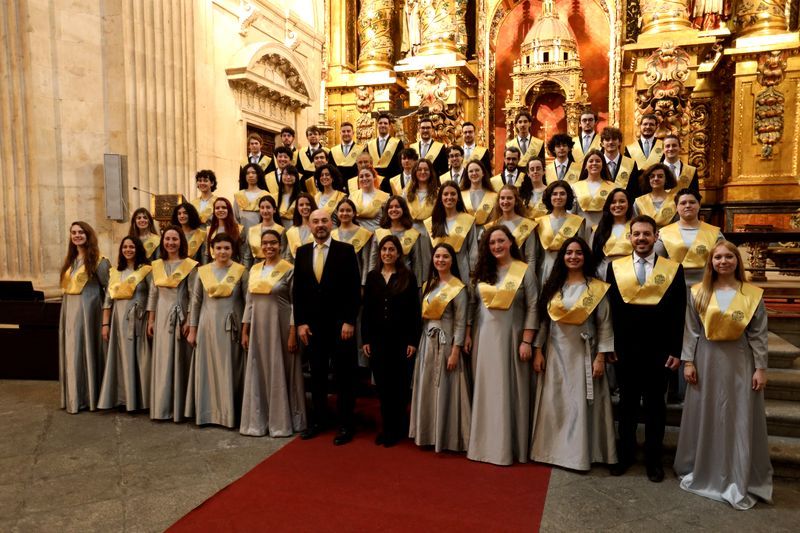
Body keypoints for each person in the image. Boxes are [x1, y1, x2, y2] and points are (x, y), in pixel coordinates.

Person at [674, 241, 773, 509]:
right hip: (706, 359)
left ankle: (737, 471)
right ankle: (706, 469)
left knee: (738, 415)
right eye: (718, 257)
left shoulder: (751, 294)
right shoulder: (699, 292)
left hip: (740, 361)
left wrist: (760, 368)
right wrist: (688, 363)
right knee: (708, 413)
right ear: (711, 262)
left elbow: (758, 334)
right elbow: (691, 330)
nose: (723, 261)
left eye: (729, 256)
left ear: (737, 261)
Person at [606, 215, 686, 482]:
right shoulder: (615, 268)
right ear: (629, 237)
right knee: (626, 405)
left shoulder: (673, 269)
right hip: (625, 349)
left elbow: (678, 312)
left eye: (646, 234)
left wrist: (676, 350)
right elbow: (611, 311)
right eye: (637, 234)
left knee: (655, 408)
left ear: (656, 237)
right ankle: (625, 455)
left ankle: (654, 460)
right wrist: (610, 345)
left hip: (659, 350)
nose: (641, 238)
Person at [530, 237, 617, 472]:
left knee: (579, 404)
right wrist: (538, 350)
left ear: (585, 257)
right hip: (555, 352)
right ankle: (551, 451)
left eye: (578, 253)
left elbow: (605, 324)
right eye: (569, 253)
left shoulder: (596, 288)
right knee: (556, 402)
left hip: (583, 353)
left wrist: (600, 357)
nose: (573, 257)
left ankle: (579, 455)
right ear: (562, 257)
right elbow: (544, 323)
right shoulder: (553, 286)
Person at [466, 225, 538, 465]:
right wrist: (468, 333)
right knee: (486, 390)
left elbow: (533, 306)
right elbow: (472, 305)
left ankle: (510, 448)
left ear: (510, 242)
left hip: (513, 340)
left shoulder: (524, 271)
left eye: (501, 241)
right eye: (492, 242)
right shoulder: (481, 273)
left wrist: (527, 340)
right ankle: (483, 445)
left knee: (509, 391)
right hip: (484, 339)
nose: (496, 246)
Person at [294, 209, 362, 445]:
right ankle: (319, 421)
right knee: (317, 376)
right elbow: (298, 291)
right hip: (313, 327)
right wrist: (300, 322)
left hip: (341, 326)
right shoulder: (302, 252)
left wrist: (349, 320)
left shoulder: (346, 250)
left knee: (344, 376)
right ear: (309, 226)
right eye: (315, 221)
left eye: (324, 220)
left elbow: (354, 289)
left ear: (331, 224)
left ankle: (345, 424)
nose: (320, 225)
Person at [240, 229, 306, 437]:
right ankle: (259, 421)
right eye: (265, 243)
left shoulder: (289, 269)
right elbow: (249, 302)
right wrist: (245, 330)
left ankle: (283, 421)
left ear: (281, 245)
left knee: (283, 370)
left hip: (281, 327)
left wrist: (293, 332)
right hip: (258, 328)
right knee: (258, 370)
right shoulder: (254, 269)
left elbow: (296, 304)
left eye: (273, 243)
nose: (269, 247)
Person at [410, 243, 471, 452]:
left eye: (445, 256)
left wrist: (455, 351)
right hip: (427, 343)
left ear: (452, 260)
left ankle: (447, 437)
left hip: (447, 345)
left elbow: (460, 322)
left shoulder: (458, 288)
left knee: (446, 388)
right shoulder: (429, 284)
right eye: (437, 256)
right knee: (427, 387)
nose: (440, 260)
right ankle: (427, 433)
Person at [362, 235, 422, 447]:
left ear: (398, 253)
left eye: (391, 249)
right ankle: (387, 427)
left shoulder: (407, 277)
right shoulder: (372, 277)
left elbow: (414, 311)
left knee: (399, 386)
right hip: (378, 340)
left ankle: (397, 428)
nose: (387, 253)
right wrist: (366, 339)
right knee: (383, 386)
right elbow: (366, 311)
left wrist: (413, 340)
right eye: (384, 249)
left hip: (401, 341)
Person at [185, 233, 248, 428]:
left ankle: (230, 415)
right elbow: (196, 302)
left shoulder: (241, 271)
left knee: (230, 368)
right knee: (208, 370)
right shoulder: (202, 272)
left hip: (231, 328)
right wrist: (193, 329)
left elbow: (248, 303)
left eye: (226, 248)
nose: (222, 251)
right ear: (212, 250)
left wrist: (246, 329)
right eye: (218, 248)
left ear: (232, 250)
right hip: (208, 327)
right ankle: (208, 413)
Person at [59, 221, 111, 413]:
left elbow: (109, 290)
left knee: (87, 350)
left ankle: (90, 397)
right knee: (73, 353)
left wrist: (106, 320)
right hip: (69, 311)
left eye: (81, 232)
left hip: (90, 312)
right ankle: (74, 396)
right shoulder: (70, 261)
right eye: (73, 232)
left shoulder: (100, 261)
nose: (77, 235)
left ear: (88, 235)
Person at [147, 226, 198, 421]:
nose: (170, 242)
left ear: (181, 241)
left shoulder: (190, 265)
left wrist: (190, 320)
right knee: (163, 360)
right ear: (163, 241)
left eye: (174, 239)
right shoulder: (157, 265)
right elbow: (153, 294)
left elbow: (193, 296)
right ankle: (162, 406)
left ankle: (180, 408)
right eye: (167, 239)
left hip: (180, 316)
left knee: (179, 359)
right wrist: (151, 319)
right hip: (161, 316)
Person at [98, 236, 152, 411]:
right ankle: (123, 398)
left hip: (139, 319)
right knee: (121, 357)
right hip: (118, 319)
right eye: (125, 247)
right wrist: (105, 325)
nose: (128, 250)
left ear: (138, 249)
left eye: (132, 247)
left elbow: (153, 296)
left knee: (141, 358)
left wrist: (151, 319)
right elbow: (108, 300)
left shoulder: (147, 270)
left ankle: (142, 400)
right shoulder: (114, 272)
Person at [655, 188, 722, 287]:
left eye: (692, 202)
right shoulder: (664, 233)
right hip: (674, 287)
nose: (688, 205)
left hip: (706, 287)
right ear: (676, 207)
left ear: (699, 205)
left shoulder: (714, 232)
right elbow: (656, 263)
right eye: (683, 203)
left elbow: (723, 260)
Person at [533, 181, 587, 288]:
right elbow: (536, 253)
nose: (558, 197)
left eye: (562, 194)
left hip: (570, 270)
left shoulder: (577, 221)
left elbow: (582, 252)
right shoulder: (539, 222)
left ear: (568, 196)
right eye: (554, 194)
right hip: (546, 268)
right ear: (549, 197)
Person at [425, 181, 477, 285]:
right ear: (440, 198)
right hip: (438, 272)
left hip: (462, 271)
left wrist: (473, 273)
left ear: (458, 197)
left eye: (453, 194)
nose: (449, 197)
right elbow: (428, 253)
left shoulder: (468, 220)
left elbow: (473, 249)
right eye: (445, 194)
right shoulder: (431, 222)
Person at [370, 195, 425, 287]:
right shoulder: (379, 233)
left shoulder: (413, 234)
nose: (394, 209)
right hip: (382, 281)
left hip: (405, 282)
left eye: (397, 206)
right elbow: (373, 260)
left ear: (404, 210)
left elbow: (417, 263)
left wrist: (418, 286)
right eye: (390, 207)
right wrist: (369, 282)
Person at [590, 188, 633, 280]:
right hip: (605, 275)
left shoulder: (636, 227)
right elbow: (593, 258)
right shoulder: (598, 230)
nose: (617, 205)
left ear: (629, 204)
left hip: (631, 275)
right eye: (613, 202)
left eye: (622, 201)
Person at [331, 198, 374, 285]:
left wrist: (363, 284)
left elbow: (366, 262)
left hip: (355, 280)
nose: (344, 213)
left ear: (354, 213)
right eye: (341, 210)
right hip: (333, 281)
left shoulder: (364, 234)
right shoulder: (331, 234)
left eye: (348, 210)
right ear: (337, 213)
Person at [572, 149, 616, 230]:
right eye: (591, 161)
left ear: (603, 165)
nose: (594, 163)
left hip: (605, 228)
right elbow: (572, 212)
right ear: (585, 165)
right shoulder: (575, 187)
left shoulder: (613, 187)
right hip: (582, 229)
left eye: (598, 161)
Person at [493, 184, 538, 264]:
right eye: (502, 198)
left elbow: (530, 257)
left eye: (509, 198)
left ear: (516, 201)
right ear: (498, 201)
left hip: (519, 270)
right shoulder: (494, 225)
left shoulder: (527, 225)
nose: (505, 201)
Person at [243, 195, 285, 268]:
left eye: (268, 207)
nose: (265, 211)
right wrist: (247, 271)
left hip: (275, 267)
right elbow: (247, 256)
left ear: (274, 210)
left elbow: (283, 254)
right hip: (256, 268)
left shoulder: (281, 230)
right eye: (262, 208)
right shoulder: (252, 230)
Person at [459, 160, 497, 237]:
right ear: (467, 174)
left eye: (477, 170)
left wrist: (485, 231)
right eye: (471, 171)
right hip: (464, 235)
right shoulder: (460, 195)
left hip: (486, 235)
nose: (474, 173)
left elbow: (495, 219)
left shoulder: (494, 196)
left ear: (483, 173)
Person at [633, 163, 679, 228]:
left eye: (660, 176)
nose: (656, 179)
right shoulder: (639, 201)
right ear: (648, 180)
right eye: (652, 176)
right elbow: (635, 225)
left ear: (666, 179)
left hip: (671, 233)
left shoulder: (676, 200)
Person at [600, 126, 639, 198]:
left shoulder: (631, 164)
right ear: (602, 143)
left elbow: (635, 190)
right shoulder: (596, 163)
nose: (611, 142)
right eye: (607, 139)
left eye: (614, 139)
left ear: (620, 142)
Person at [234, 163, 271, 233]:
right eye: (247, 173)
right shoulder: (239, 195)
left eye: (254, 173)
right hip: (242, 233)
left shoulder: (265, 195)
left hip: (261, 232)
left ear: (258, 175)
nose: (251, 175)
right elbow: (235, 217)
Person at [351, 166, 390, 232]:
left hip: (377, 235)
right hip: (358, 235)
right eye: (361, 177)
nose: (364, 178)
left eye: (367, 175)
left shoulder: (385, 197)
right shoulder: (352, 196)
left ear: (374, 177)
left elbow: (388, 220)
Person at [366, 112, 404, 179]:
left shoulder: (397, 143)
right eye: (380, 123)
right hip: (374, 180)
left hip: (391, 180)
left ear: (389, 126)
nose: (383, 125)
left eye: (385, 123)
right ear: (377, 125)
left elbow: (400, 165)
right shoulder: (370, 144)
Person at [205, 197, 243, 263]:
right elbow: (207, 254)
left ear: (229, 210)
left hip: (232, 266)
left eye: (224, 207)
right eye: (217, 208)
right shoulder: (209, 230)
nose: (220, 210)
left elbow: (243, 254)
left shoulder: (238, 229)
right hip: (214, 266)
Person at [283, 193, 318, 261]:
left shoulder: (319, 227)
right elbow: (288, 256)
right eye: (301, 205)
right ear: (297, 208)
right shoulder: (292, 231)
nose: (304, 207)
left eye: (308, 204)